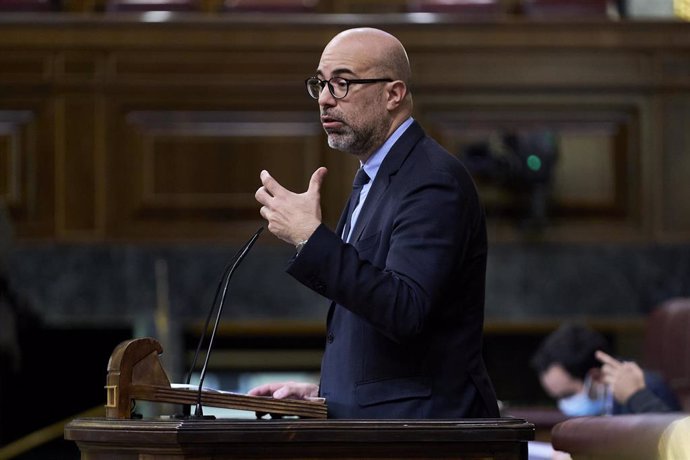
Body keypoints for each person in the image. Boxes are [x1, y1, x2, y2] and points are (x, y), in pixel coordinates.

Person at [251, 27, 499, 419]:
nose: (326, 100)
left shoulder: (432, 180)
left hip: (430, 438)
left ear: (393, 94)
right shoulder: (376, 175)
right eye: (320, 84)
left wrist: (310, 238)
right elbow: (376, 325)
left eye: (343, 83)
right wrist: (329, 393)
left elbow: (405, 309)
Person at [530, 322, 681, 417]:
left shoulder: (646, 391)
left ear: (595, 377)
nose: (564, 404)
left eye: (568, 395)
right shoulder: (598, 405)